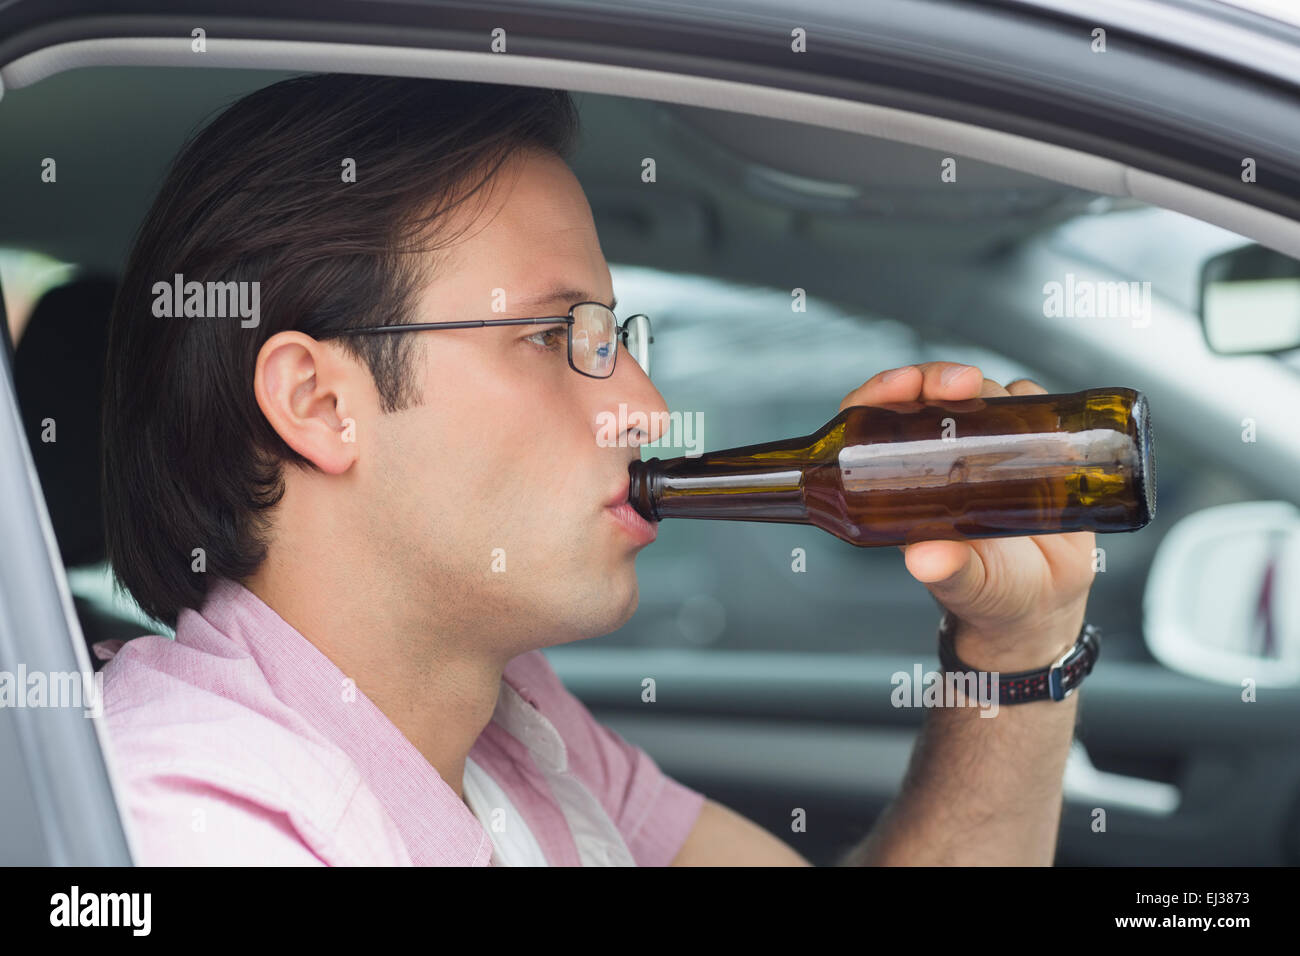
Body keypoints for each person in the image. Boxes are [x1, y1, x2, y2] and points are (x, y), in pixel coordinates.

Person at [99, 73, 1096, 866]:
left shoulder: (510, 724)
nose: (650, 411)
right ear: (320, 402)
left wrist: (1016, 643)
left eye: (614, 334)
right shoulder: (192, 822)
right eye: (552, 334)